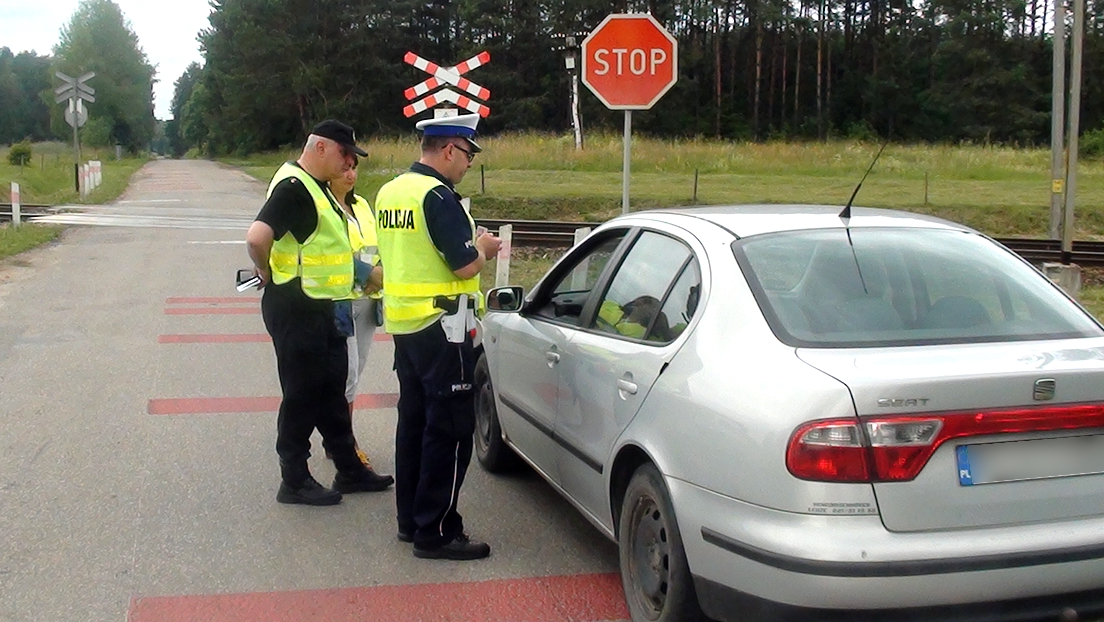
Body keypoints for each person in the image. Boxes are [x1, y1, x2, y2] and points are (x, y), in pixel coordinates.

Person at [245, 120, 394, 507]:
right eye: (345, 153)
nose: (349, 163)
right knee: (302, 394)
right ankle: (293, 479)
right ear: (321, 147)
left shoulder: (316, 188)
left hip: (322, 305)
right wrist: (265, 269)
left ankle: (348, 468)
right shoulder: (294, 187)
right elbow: (256, 237)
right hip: (297, 306)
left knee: (331, 389)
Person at [374, 113, 502, 560]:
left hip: (406, 328)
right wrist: (484, 247)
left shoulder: (390, 192)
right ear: (449, 149)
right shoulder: (438, 196)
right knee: (449, 432)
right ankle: (438, 530)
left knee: (413, 425)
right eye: (467, 154)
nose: (468, 164)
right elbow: (464, 265)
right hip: (445, 329)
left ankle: (411, 521)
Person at [329, 156, 386, 468]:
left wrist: (378, 271)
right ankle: (345, 443)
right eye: (344, 168)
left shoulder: (362, 204)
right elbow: (328, 253)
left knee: (357, 370)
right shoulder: (325, 207)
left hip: (367, 301)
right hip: (340, 301)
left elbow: (380, 244)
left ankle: (336, 437)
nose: (351, 175)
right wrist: (365, 273)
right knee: (345, 375)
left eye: (354, 168)